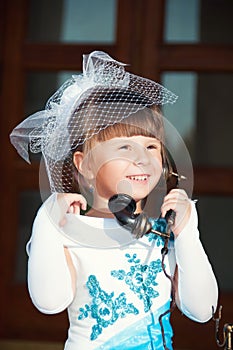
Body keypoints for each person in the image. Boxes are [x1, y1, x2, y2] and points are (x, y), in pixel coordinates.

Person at [10, 51, 218, 350]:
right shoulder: (70, 232)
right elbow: (49, 302)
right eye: (124, 147)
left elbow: (203, 311)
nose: (143, 159)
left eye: (151, 146)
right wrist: (46, 222)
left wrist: (187, 233)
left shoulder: (162, 234)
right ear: (86, 165)